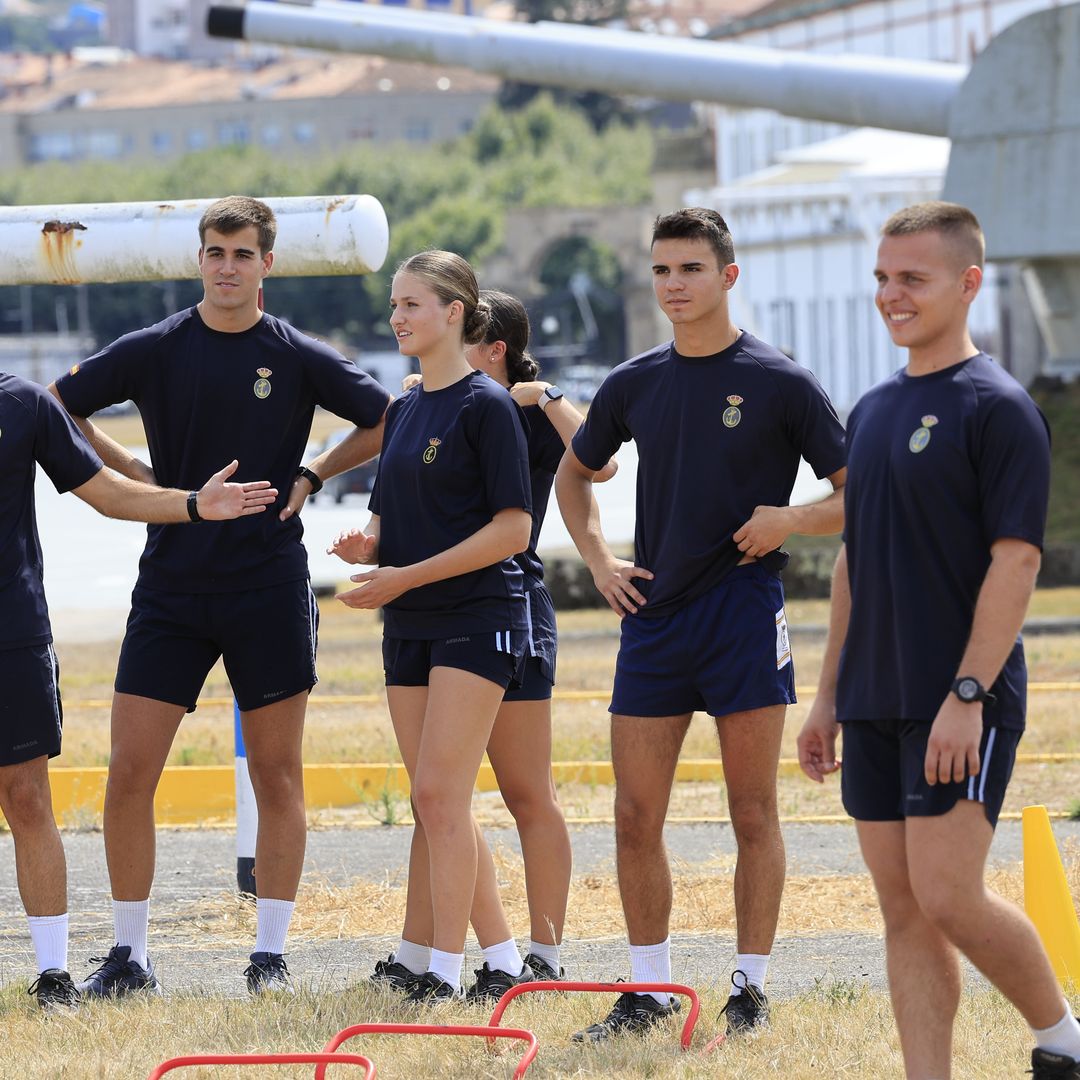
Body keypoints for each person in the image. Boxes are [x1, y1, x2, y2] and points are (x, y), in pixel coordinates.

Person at [48, 195, 391, 997]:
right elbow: (58, 404)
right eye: (214, 252)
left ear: (267, 263)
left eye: (242, 253)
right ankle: (131, 956)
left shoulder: (301, 353)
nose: (227, 266)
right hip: (170, 583)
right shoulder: (156, 347)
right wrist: (135, 476)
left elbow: (388, 417)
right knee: (130, 771)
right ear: (199, 259)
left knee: (277, 776)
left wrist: (314, 474)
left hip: (267, 584)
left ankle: (270, 958)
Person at [796, 201, 1080, 1080]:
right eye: (882, 278)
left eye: (911, 278)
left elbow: (1017, 562)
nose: (891, 295)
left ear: (967, 282)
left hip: (961, 697)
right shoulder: (875, 411)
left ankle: (1065, 1042)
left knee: (950, 893)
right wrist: (827, 695)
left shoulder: (997, 409)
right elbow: (855, 561)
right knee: (905, 909)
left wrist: (966, 697)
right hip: (873, 697)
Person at [555, 207, 847, 1041]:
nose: (673, 286)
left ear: (728, 275)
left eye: (689, 269)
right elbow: (574, 481)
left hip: (745, 617)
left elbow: (856, 495)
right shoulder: (634, 380)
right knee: (633, 815)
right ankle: (648, 990)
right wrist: (602, 562)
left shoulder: (781, 381)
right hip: (655, 620)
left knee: (752, 812)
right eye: (660, 271)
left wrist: (789, 521)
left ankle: (749, 990)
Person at [364, 290, 616, 1000]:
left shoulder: (518, 411)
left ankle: (543, 952)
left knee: (524, 792)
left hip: (511, 608)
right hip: (435, 609)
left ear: (489, 345)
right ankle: (422, 953)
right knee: (437, 798)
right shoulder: (429, 405)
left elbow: (598, 465)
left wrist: (552, 395)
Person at [1, 370, 277, 1009]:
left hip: (10, 632)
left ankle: (52, 977)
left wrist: (191, 505)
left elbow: (105, 493)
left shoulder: (23, 403)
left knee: (26, 799)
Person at [329, 254, 541, 1003]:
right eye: (395, 304)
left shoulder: (488, 407)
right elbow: (388, 518)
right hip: (408, 619)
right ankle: (506, 959)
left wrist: (406, 576)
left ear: (455, 311)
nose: (398, 317)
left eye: (412, 303)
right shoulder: (407, 406)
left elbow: (512, 530)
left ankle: (442, 977)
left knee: (441, 796)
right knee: (433, 801)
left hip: (477, 618)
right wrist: (369, 548)